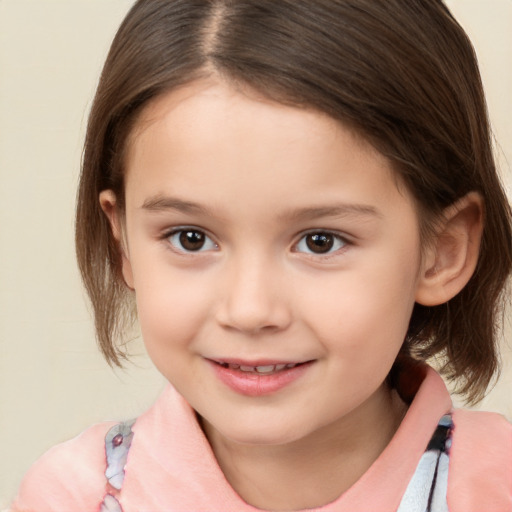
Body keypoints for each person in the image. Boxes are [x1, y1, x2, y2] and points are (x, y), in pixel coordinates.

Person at [11, 0, 512, 510]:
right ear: (124, 243)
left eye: (320, 241)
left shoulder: (498, 487)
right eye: (190, 238)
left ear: (442, 251)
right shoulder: (75, 497)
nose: (249, 310)